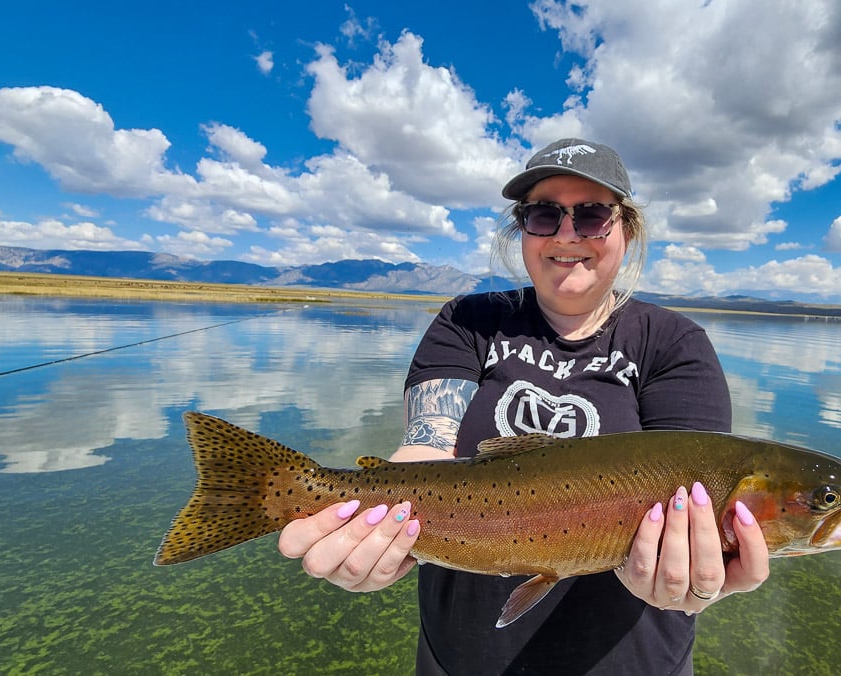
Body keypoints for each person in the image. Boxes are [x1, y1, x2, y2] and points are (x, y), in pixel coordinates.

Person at [276, 138, 771, 674]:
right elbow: (427, 448)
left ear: (624, 229)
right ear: (522, 229)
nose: (566, 233)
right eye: (543, 214)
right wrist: (370, 526)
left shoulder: (674, 342)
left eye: (591, 215)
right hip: (458, 659)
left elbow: (697, 487)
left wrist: (699, 583)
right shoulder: (467, 321)